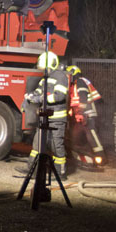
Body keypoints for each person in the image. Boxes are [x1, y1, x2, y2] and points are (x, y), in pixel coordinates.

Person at [16, 51, 69, 179]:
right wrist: (30, 97)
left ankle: (60, 173)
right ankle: (32, 171)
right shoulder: (45, 78)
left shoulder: (60, 77)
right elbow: (38, 91)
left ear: (49, 64)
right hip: (44, 117)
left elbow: (59, 96)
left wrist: (41, 99)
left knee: (56, 145)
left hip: (57, 118)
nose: (42, 70)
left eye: (43, 67)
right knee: (37, 145)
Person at [66, 65, 106, 167]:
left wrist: (81, 112)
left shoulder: (80, 81)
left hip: (87, 114)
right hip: (81, 114)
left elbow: (83, 97)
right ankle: (78, 152)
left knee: (92, 135)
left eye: (68, 75)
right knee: (76, 134)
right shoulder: (74, 84)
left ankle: (101, 157)